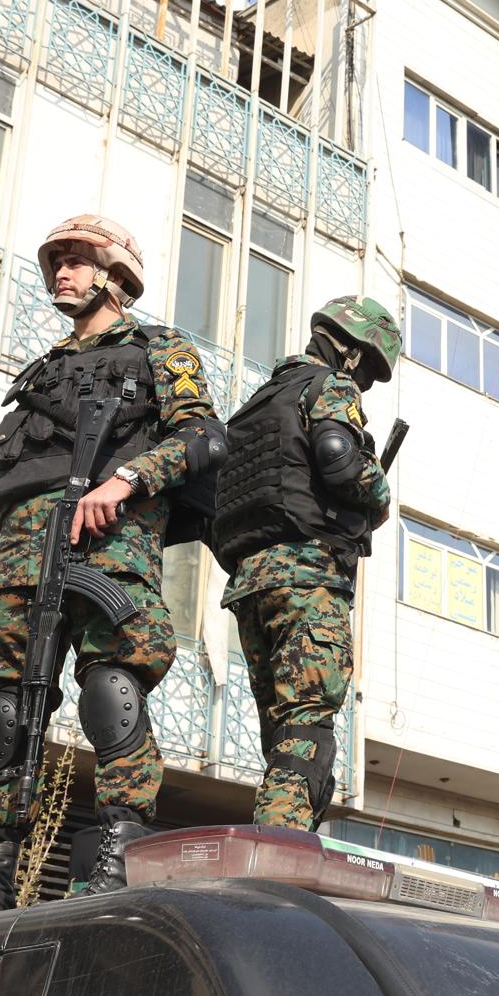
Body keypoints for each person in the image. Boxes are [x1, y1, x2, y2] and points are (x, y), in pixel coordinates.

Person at [0, 215, 223, 916]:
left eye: (75, 261)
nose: (60, 273)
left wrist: (124, 482)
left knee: (111, 687)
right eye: (55, 263)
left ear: (113, 275)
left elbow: (203, 436)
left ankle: (120, 848)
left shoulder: (159, 349)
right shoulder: (43, 369)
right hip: (23, 548)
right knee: (6, 705)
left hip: (112, 537)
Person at [210, 296, 399, 830]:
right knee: (308, 726)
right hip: (308, 579)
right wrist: (378, 495)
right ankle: (279, 848)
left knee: (282, 735)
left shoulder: (255, 404)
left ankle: (284, 830)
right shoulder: (330, 388)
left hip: (251, 585)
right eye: (368, 372)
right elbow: (340, 457)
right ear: (353, 353)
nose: (364, 385)